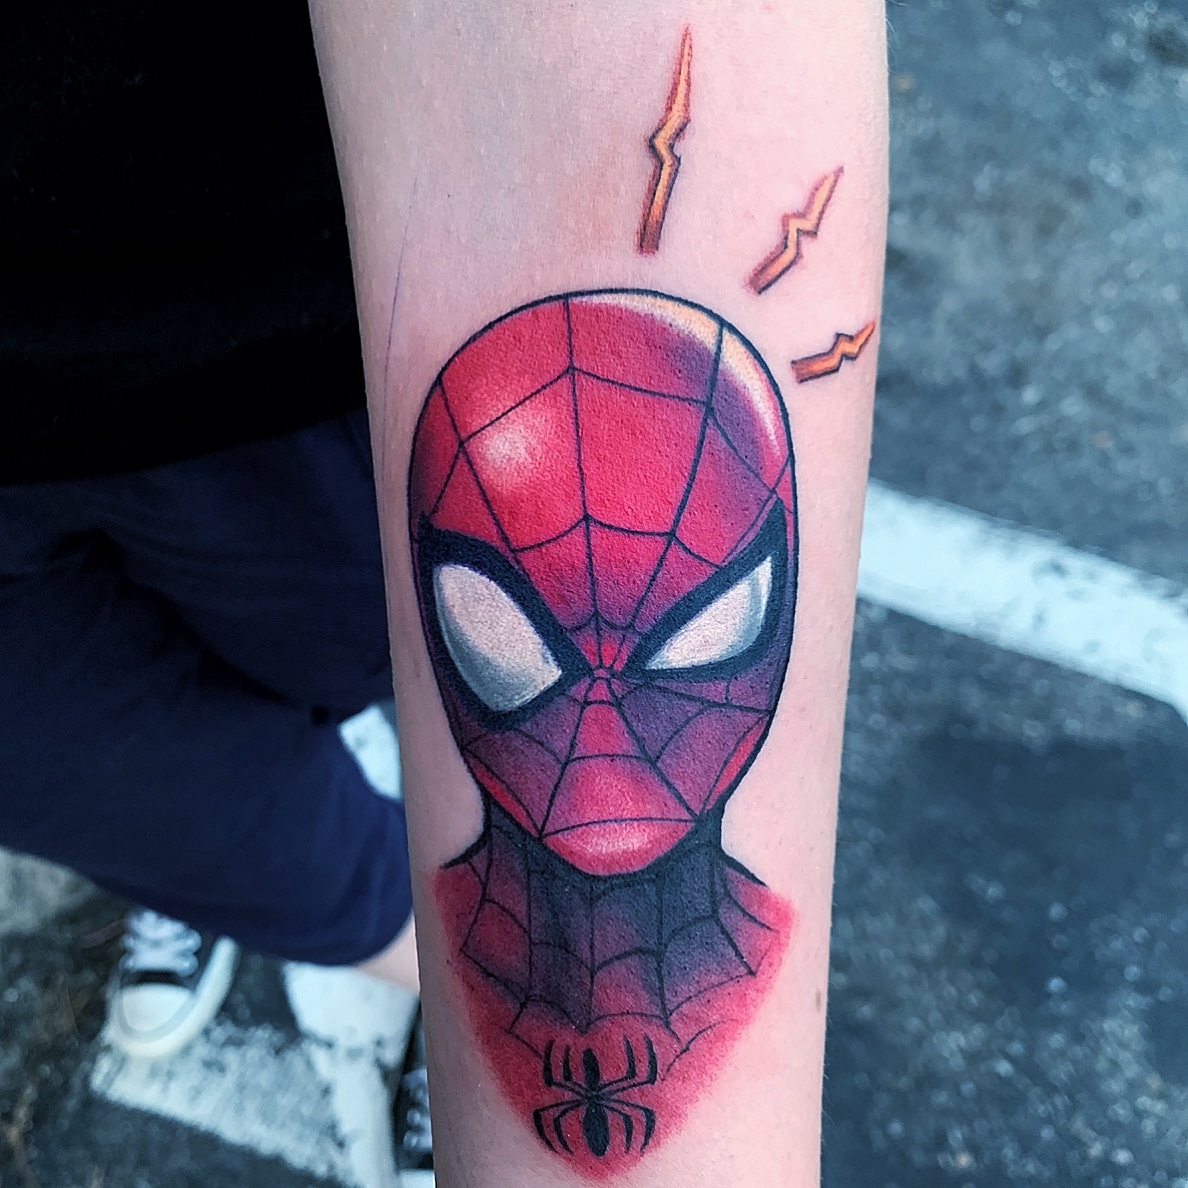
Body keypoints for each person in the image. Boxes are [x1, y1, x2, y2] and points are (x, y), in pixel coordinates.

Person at [2, 1, 887, 1184]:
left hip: (259, 365)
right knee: (127, 793)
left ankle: (464, 994)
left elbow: (625, 48)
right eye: (534, 650)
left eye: (695, 634)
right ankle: (370, 937)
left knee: (304, 666)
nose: (605, 735)